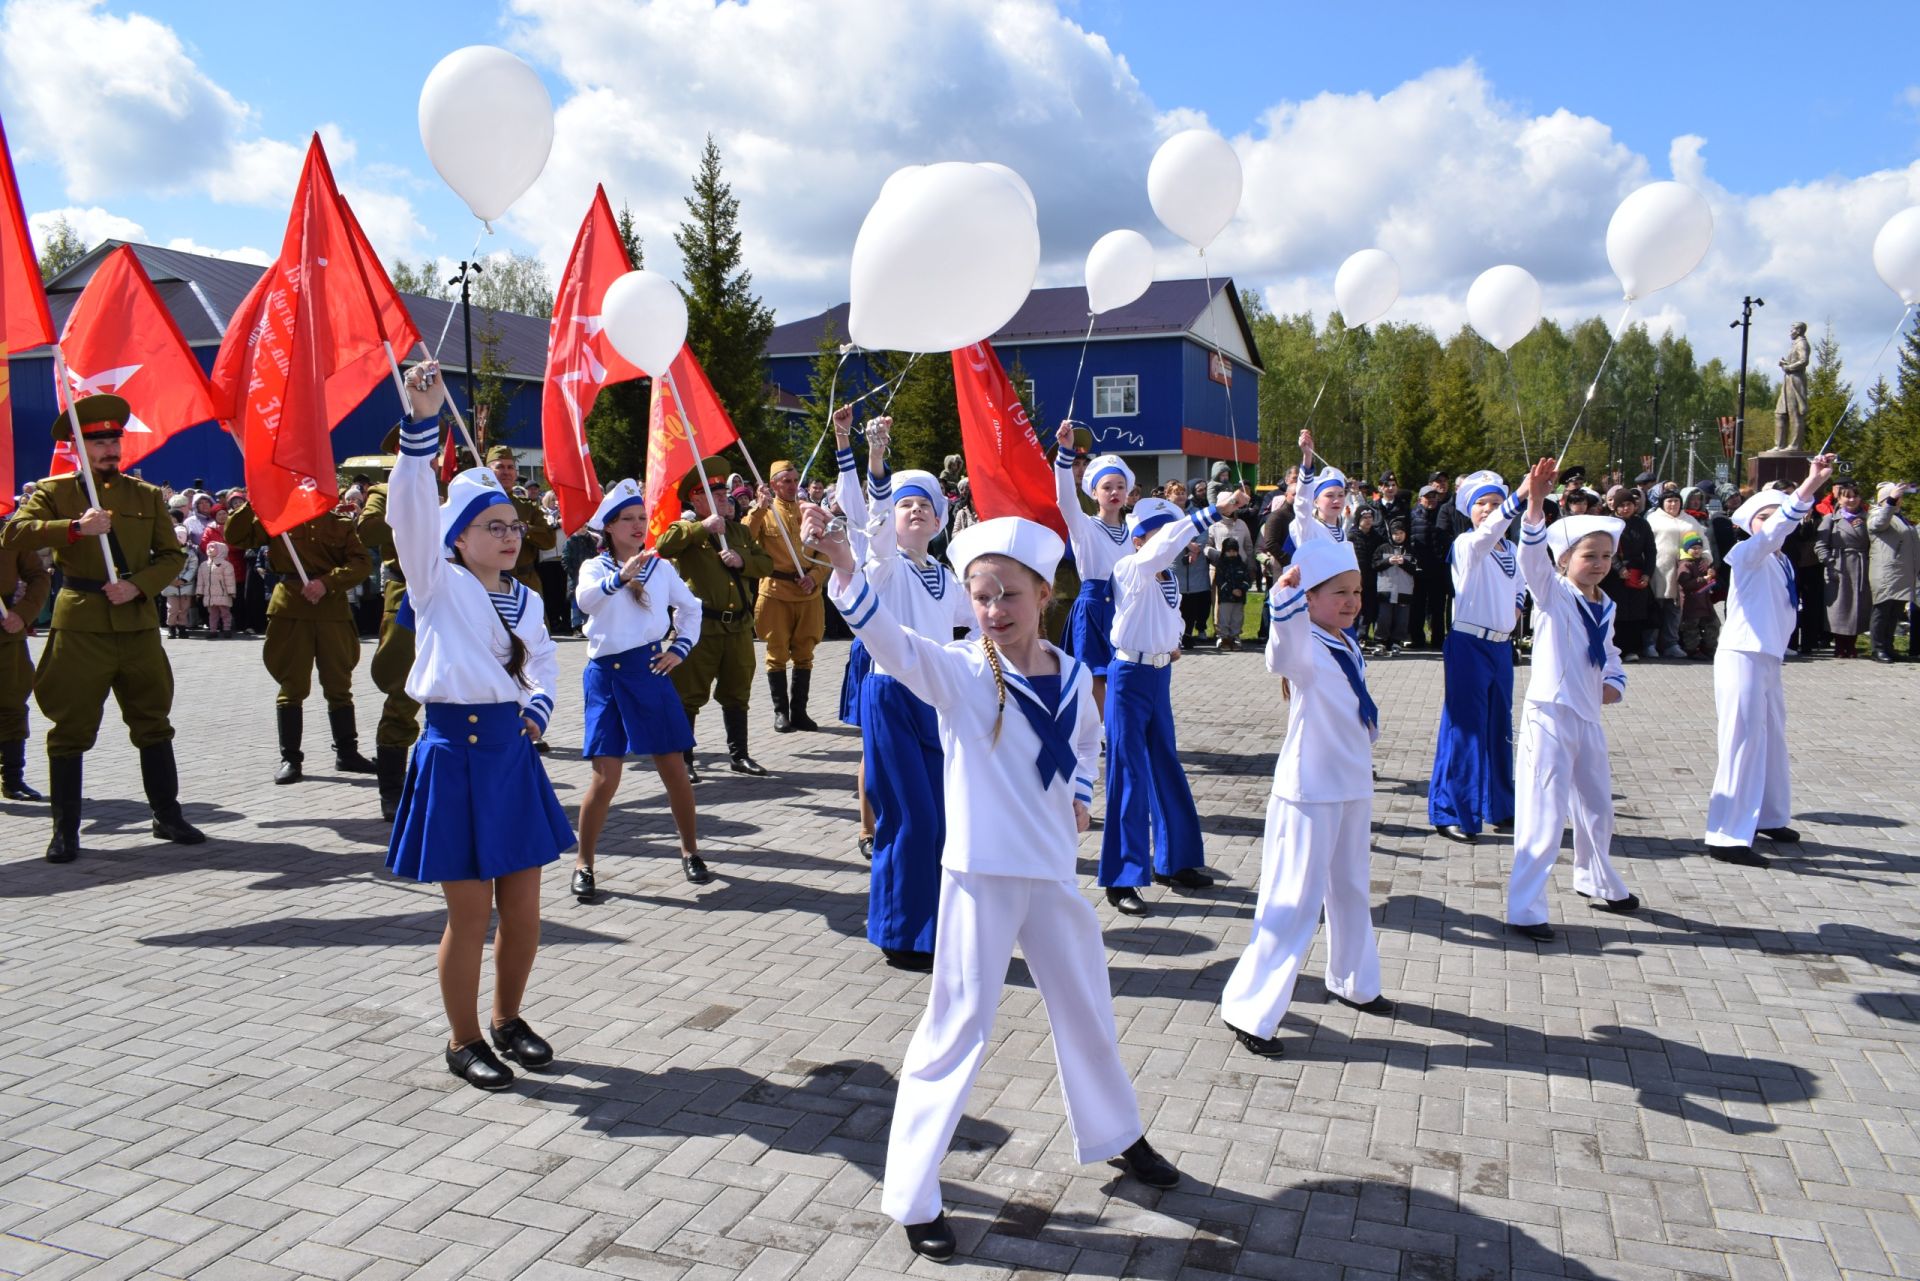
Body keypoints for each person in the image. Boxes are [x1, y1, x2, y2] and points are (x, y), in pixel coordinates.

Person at [806, 510, 1182, 1262]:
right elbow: (892, 644)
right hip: (979, 876)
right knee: (956, 1029)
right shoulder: (963, 670)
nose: (994, 610)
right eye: (981, 595)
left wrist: (1079, 790)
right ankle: (914, 1192)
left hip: (1050, 873)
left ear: (1045, 593)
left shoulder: (1073, 671)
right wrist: (846, 566)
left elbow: (1083, 740)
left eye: (1009, 594)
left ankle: (1118, 1133)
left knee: (1086, 1007)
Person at [383, 364, 574, 1092]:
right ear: (457, 538)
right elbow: (410, 514)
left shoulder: (526, 601)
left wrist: (535, 709)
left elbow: (546, 663)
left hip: (508, 755)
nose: (507, 536)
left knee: (522, 908)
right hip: (451, 757)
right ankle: (462, 1037)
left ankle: (507, 1017)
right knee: (470, 915)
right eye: (491, 527)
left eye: (514, 526)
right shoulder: (435, 583)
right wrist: (421, 426)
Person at [0, 395, 205, 862]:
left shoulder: (145, 494)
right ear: (79, 444)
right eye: (99, 441)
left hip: (134, 624)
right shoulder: (55, 492)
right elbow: (14, 534)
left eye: (114, 439)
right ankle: (65, 829)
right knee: (70, 728)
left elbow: (171, 556)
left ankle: (167, 815)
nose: (110, 448)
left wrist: (139, 587)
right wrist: (73, 526)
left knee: (153, 722)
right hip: (82, 626)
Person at [1219, 537, 1384, 1059]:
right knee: (1290, 902)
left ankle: (1353, 979)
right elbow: (1280, 654)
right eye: (1338, 593)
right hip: (1309, 790)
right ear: (1309, 600)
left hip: (1352, 784)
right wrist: (1281, 602)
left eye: (1356, 591)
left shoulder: (1346, 642)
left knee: (1352, 889)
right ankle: (1249, 1008)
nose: (1352, 601)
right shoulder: (1306, 645)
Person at [836, 447, 974, 970]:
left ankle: (933, 924)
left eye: (925, 506)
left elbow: (977, 620)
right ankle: (899, 932)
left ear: (939, 520)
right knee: (908, 816)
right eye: (904, 504)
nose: (915, 511)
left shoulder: (945, 576)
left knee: (939, 817)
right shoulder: (884, 567)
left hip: (936, 696)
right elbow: (871, 531)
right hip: (891, 692)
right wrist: (871, 463)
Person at [1506, 458, 1636, 941]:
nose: (1599, 564)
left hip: (1587, 718)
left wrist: (1614, 683)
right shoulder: (1554, 594)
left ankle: (1596, 877)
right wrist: (1536, 503)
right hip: (1550, 715)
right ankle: (1525, 907)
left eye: (1606, 556)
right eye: (1589, 556)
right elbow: (1529, 562)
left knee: (1598, 807)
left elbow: (1610, 652)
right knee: (1544, 811)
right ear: (1564, 560)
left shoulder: (1608, 603)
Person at [1099, 492, 1245, 915]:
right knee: (1128, 776)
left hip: (1159, 676)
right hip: (1127, 678)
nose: (1170, 543)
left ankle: (1175, 861)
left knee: (1166, 764)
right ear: (1139, 539)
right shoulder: (1131, 567)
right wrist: (1212, 512)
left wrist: (1171, 643)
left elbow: (1171, 618)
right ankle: (1122, 878)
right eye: (1157, 534)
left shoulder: (1168, 578)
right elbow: (1166, 545)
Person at [571, 479, 707, 902]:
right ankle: (584, 863)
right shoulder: (595, 568)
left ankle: (690, 851)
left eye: (641, 518)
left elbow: (691, 607)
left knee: (675, 769)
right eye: (627, 520)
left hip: (649, 672)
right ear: (608, 528)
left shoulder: (660, 567)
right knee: (605, 777)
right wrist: (619, 579)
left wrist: (680, 648)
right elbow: (586, 601)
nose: (637, 526)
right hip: (606, 678)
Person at [1703, 454, 1835, 867]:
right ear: (1749, 523)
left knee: (1772, 738)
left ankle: (1769, 815)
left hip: (1769, 658)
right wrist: (1809, 486)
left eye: (1777, 514)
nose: (1776, 520)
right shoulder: (1748, 552)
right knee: (1742, 742)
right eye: (1766, 515)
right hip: (1742, 655)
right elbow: (1778, 528)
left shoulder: (1779, 559)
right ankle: (1726, 835)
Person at [223, 496, 377, 784]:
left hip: (331, 609)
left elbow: (361, 562)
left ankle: (347, 752)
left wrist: (327, 583)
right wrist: (254, 501)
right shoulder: (279, 520)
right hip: (291, 608)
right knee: (291, 685)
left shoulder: (339, 524)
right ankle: (290, 758)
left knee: (339, 684)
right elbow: (236, 536)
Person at [659, 459, 774, 780]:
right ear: (696, 499)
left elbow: (765, 563)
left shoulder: (738, 530)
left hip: (738, 626)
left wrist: (743, 561)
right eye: (714, 493)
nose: (724, 497)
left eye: (724, 491)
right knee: (688, 695)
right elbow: (664, 546)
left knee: (738, 691)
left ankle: (739, 756)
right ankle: (685, 760)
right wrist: (702, 528)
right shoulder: (685, 528)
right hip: (700, 629)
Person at [1427, 470, 1525, 844]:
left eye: (1496, 503)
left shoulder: (1511, 550)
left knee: (1500, 726)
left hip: (1500, 647)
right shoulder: (1469, 543)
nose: (1489, 510)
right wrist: (1517, 499)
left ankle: (1499, 805)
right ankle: (1452, 809)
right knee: (1464, 728)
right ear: (1470, 511)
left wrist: (1516, 609)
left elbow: (1520, 585)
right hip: (1469, 644)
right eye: (1481, 504)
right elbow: (1488, 534)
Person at [1050, 426, 1136, 714]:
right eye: (1107, 487)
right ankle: (1100, 730)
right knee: (1095, 673)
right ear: (1094, 492)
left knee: (1124, 671)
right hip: (1095, 606)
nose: (1114, 493)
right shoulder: (1084, 527)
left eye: (1120, 487)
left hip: (1126, 607)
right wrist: (1065, 453)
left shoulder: (1134, 531)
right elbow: (1064, 500)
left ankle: (1118, 726)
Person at [746, 458, 831, 732]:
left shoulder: (810, 511)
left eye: (795, 480)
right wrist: (759, 509)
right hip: (775, 593)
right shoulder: (764, 512)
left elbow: (826, 550)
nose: (793, 486)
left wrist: (816, 577)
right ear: (773, 484)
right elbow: (745, 537)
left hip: (808, 593)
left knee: (805, 653)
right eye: (786, 481)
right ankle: (780, 712)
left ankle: (800, 711)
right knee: (777, 652)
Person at [0, 539, 51, 801]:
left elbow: (39, 576)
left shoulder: (9, 536)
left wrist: (22, 613)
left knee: (12, 705)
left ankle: (12, 778)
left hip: (5, 634)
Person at [1647, 484, 1707, 659]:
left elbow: (1704, 541)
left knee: (1674, 610)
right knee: (1655, 608)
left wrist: (1706, 557)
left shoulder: (1690, 520)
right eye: (1669, 501)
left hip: (1683, 571)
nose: (1673, 504)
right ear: (1662, 503)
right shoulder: (1653, 519)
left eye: (1676, 501)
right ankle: (1651, 643)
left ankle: (1671, 643)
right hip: (1659, 569)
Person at [1815, 480, 1872, 657]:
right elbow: (1820, 544)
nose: (1851, 500)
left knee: (1859, 606)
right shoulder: (1831, 519)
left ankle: (1852, 644)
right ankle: (1839, 645)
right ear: (1839, 499)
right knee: (1839, 606)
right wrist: (1829, 561)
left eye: (1855, 496)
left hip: (1862, 564)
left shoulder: (1868, 518)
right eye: (1847, 497)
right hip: (1839, 565)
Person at [1602, 487, 1656, 660]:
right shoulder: (1609, 523)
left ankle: (1632, 649)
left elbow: (1651, 551)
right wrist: (1619, 568)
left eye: (1629, 505)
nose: (1626, 508)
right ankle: (1615, 649)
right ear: (1615, 507)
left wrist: (1647, 574)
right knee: (1617, 612)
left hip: (1636, 571)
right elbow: (1608, 550)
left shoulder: (1642, 524)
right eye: (1622, 505)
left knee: (1636, 612)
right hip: (1613, 575)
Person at [1867, 482, 1918, 663]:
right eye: (1898, 498)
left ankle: (1889, 646)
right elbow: (1878, 524)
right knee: (1882, 610)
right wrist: (1890, 501)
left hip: (1902, 573)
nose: (1900, 501)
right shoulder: (1878, 514)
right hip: (1887, 572)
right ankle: (1877, 649)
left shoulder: (1900, 517)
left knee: (1894, 611)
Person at [1408, 482, 1452, 648]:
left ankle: (1438, 640)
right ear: (1420, 499)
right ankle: (1417, 639)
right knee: (1417, 606)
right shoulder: (1412, 516)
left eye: (1434, 496)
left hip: (1438, 569)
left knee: (1437, 608)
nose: (1432, 499)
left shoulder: (1442, 515)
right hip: (1418, 569)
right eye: (1428, 497)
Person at [1373, 519, 1417, 653]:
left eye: (1401, 533)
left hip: (1404, 590)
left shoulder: (1410, 549)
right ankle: (1381, 641)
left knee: (1402, 618)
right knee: (1383, 617)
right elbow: (1374, 565)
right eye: (1395, 533)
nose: (1398, 536)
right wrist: (1388, 561)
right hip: (1385, 589)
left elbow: (1416, 569)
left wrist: (1404, 563)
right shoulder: (1383, 548)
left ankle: (1397, 641)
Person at [1673, 532, 1720, 658]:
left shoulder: (1702, 561)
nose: (1697, 551)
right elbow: (1685, 583)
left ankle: (1709, 648)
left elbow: (1710, 574)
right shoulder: (1685, 564)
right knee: (1691, 628)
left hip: (1704, 601)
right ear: (1687, 549)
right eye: (1693, 548)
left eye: (1699, 548)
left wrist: (1711, 573)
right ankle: (1692, 650)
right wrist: (1704, 579)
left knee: (1713, 625)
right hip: (1691, 602)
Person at [1212, 536, 1252, 651]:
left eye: (1234, 551)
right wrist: (1231, 590)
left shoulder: (1241, 564)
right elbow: (1220, 581)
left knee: (1237, 618)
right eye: (1229, 551)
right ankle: (1224, 638)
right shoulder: (1221, 565)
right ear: (1224, 551)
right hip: (1225, 598)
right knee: (1224, 618)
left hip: (1239, 599)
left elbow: (1247, 579)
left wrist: (1242, 589)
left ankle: (1235, 638)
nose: (1232, 553)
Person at [160, 525, 197, 638]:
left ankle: (182, 628)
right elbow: (163, 567)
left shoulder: (190, 553)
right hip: (171, 586)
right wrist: (171, 580)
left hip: (185, 586)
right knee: (172, 608)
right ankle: (171, 627)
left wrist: (183, 579)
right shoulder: (166, 553)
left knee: (184, 609)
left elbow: (192, 567)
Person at [198, 540, 236, 637]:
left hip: (223, 594)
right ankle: (213, 630)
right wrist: (199, 592)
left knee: (225, 612)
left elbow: (229, 580)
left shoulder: (225, 565)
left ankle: (227, 629)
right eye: (208, 547)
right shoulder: (203, 565)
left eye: (212, 547)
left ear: (221, 550)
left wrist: (231, 592)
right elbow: (200, 581)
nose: (209, 550)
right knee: (212, 614)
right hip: (209, 595)